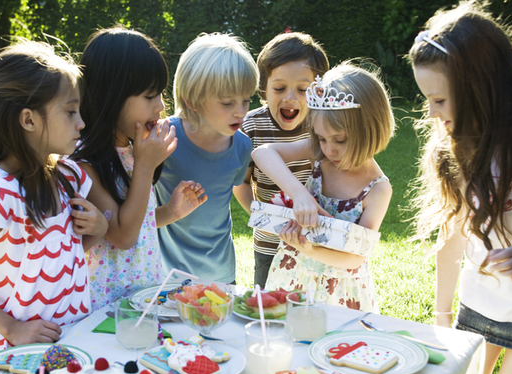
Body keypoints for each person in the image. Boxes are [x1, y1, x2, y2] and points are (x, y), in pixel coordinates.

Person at [408, 2, 512, 374]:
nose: (432, 113)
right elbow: (452, 235)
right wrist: (442, 317)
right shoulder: (454, 143)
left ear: (479, 87)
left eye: (438, 99)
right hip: (476, 305)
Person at [0, 40, 109, 358]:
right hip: (19, 356)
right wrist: (12, 328)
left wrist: (98, 228)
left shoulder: (69, 176)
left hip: (75, 341)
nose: (81, 122)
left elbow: (59, 255)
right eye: (70, 112)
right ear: (28, 120)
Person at [71, 27, 207, 310]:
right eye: (149, 96)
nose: (160, 106)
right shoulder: (85, 162)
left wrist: (170, 212)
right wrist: (145, 167)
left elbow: (135, 220)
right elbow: (122, 235)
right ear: (111, 97)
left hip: (143, 293)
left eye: (160, 94)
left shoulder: (133, 150)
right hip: (105, 305)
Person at [253, 60, 394, 312]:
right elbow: (262, 153)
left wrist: (308, 247)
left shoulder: (377, 189)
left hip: (340, 289)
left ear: (370, 130)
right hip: (293, 275)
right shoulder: (320, 155)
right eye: (321, 138)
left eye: (340, 140)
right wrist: (300, 195)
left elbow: (358, 255)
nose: (329, 149)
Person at [154, 32, 259, 284]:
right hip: (167, 276)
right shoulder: (163, 137)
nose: (241, 111)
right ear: (192, 101)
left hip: (221, 275)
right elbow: (138, 213)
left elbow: (236, 185)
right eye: (227, 103)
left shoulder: (242, 146)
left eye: (246, 100)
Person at [233, 31, 330, 289]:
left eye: (302, 89)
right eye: (279, 88)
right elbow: (240, 182)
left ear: (319, 91)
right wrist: (261, 214)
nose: (290, 98)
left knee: (311, 307)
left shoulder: (322, 125)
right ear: (263, 89)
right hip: (269, 242)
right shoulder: (251, 126)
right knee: (267, 308)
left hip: (315, 241)